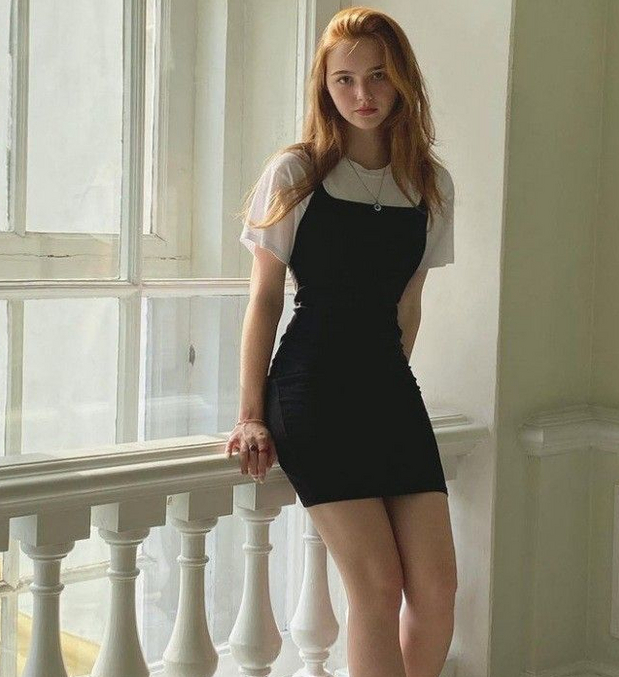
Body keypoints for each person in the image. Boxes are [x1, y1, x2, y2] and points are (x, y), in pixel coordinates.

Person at [225, 7, 457, 677]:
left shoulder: (430, 184)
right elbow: (265, 301)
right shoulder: (296, 172)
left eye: (378, 75)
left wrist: (387, 382)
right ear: (324, 87)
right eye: (344, 80)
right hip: (312, 393)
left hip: (388, 390)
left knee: (437, 590)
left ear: (403, 78)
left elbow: (408, 303)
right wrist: (249, 412)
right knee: (377, 588)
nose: (363, 94)